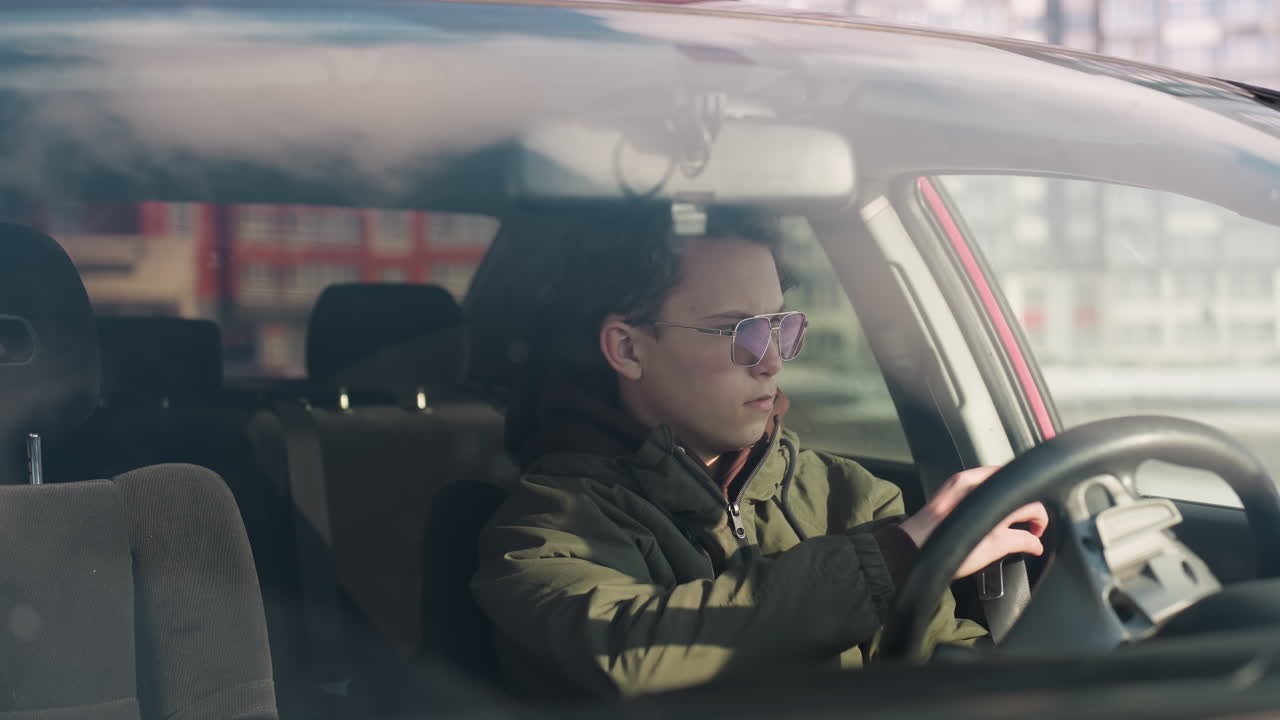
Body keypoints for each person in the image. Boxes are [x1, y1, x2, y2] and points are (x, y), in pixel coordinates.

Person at [471, 206, 1048, 700]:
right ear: (626, 347)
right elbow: (630, 650)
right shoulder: (543, 527)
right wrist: (896, 556)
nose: (773, 359)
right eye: (738, 331)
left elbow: (943, 663)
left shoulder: (851, 494)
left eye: (781, 326)